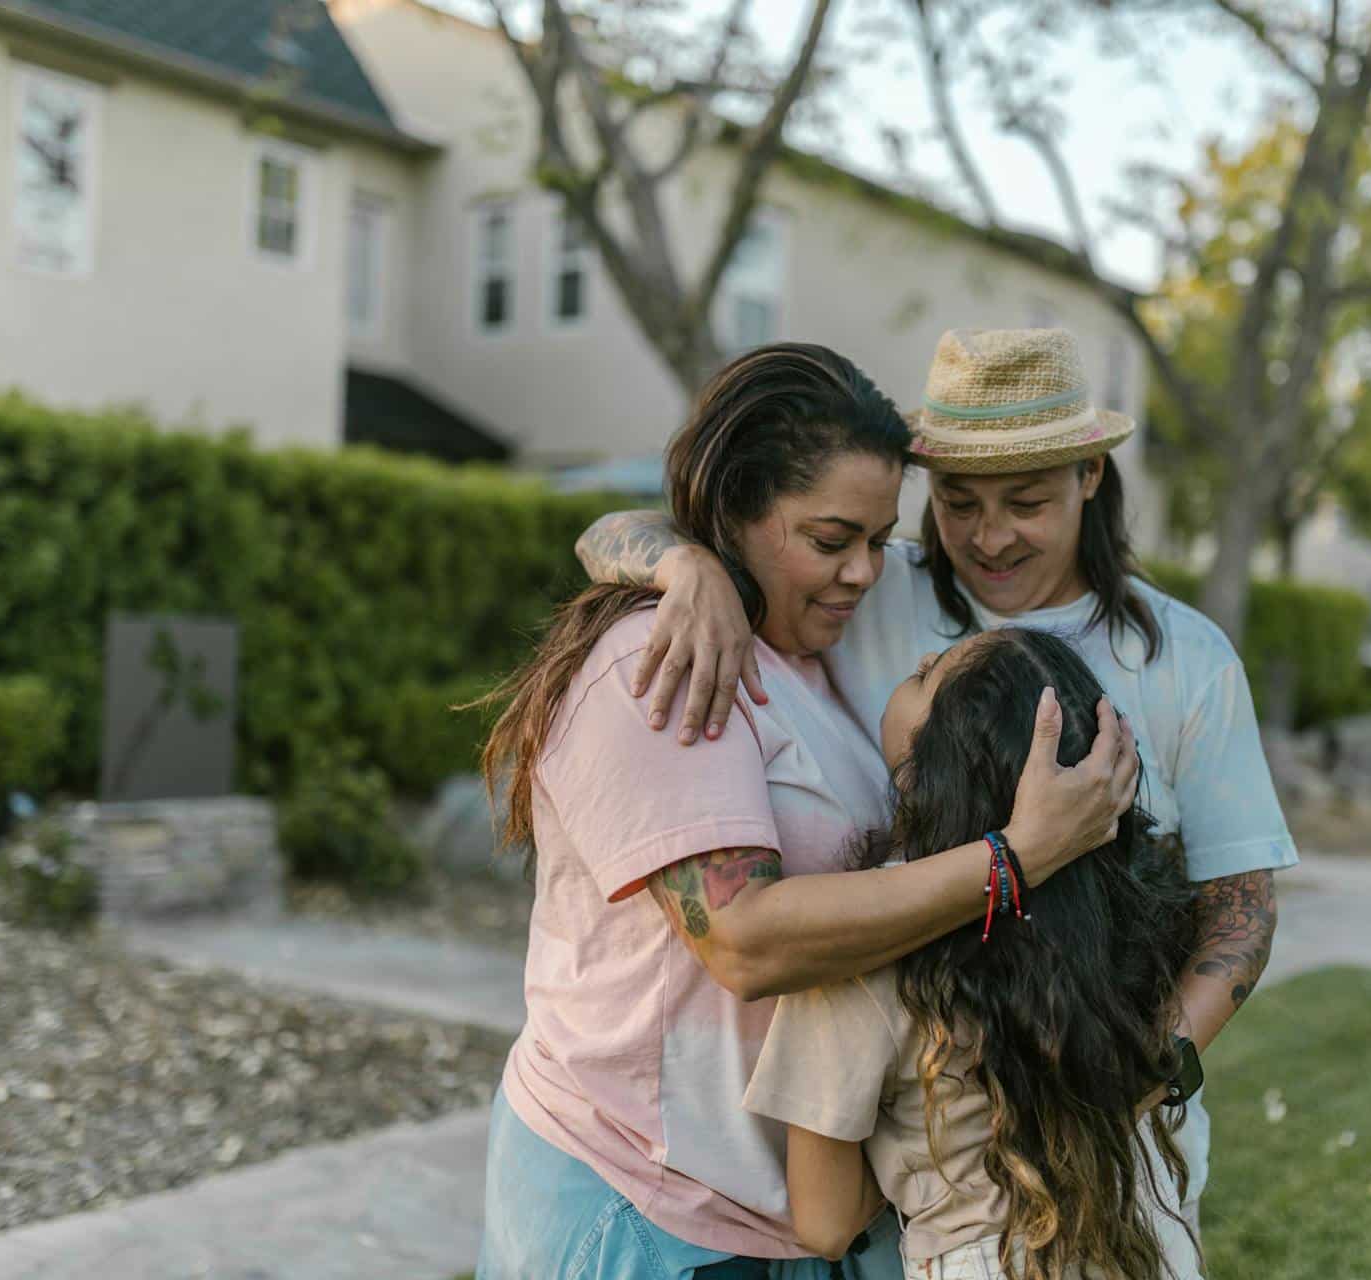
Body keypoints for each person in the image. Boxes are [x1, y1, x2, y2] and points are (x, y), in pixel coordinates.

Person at [575, 327, 1298, 1252]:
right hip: (918, 1183)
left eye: (1027, 501)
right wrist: (688, 568)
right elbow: (608, 533)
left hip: (1119, 1156)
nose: (989, 537)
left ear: (1089, 476)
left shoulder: (1182, 657)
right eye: (959, 502)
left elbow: (1241, 904)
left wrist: (1132, 1077)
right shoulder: (873, 586)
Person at [474, 342, 1139, 1280]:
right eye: (833, 541)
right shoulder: (658, 660)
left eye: (878, 539)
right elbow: (744, 940)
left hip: (794, 1217)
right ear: (735, 518)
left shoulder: (819, 657)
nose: (867, 572)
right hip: (647, 1206)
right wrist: (1016, 858)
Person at [745, 626, 1206, 1279]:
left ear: (938, 764)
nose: (921, 656)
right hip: (1143, 1242)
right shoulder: (1120, 919)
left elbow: (826, 1222)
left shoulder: (859, 955)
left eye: (931, 675)